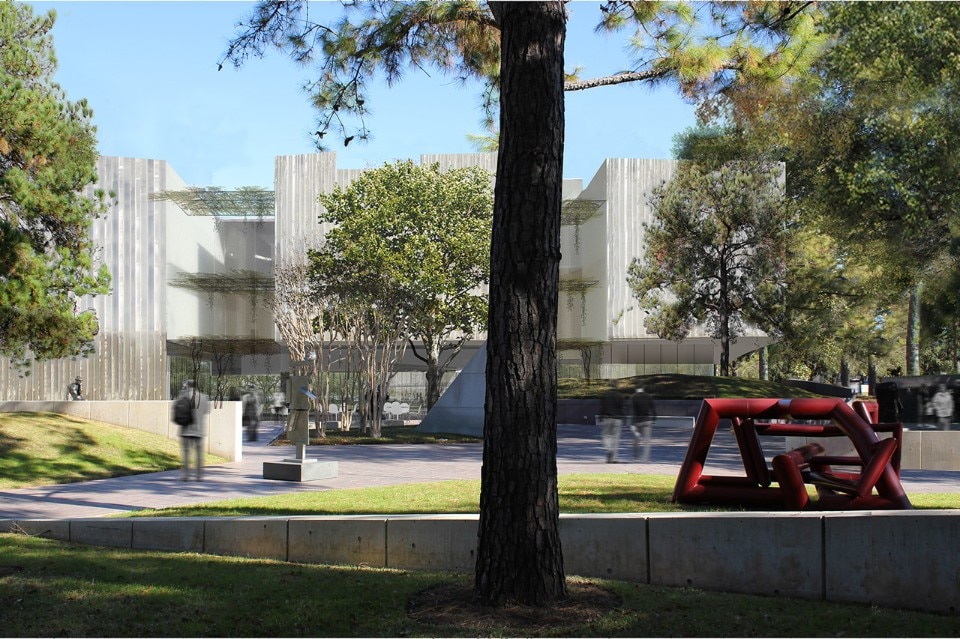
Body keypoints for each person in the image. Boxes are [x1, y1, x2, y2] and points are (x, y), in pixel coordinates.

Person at [173, 380, 208, 481]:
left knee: (186, 454)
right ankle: (199, 476)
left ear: (187, 386)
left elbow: (176, 408)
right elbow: (206, 411)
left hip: (186, 430)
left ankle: (186, 476)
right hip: (199, 430)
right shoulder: (203, 397)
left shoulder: (183, 396)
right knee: (199, 454)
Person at [597, 380, 625, 463]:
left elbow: (601, 407)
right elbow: (621, 407)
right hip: (617, 419)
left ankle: (609, 449)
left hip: (606, 418)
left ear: (609, 385)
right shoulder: (620, 395)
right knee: (615, 438)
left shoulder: (604, 395)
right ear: (617, 386)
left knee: (606, 436)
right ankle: (615, 458)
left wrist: (600, 417)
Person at [630, 386, 657, 462]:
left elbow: (633, 411)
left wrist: (632, 423)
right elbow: (653, 408)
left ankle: (635, 458)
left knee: (636, 440)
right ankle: (645, 459)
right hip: (647, 421)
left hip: (637, 422)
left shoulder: (634, 397)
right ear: (643, 388)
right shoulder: (648, 396)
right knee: (647, 441)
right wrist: (654, 418)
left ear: (636, 389)